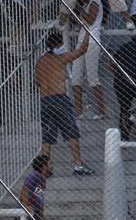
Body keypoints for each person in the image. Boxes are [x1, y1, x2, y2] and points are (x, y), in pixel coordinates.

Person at [34, 31, 93, 175]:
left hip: (45, 101)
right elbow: (82, 49)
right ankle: (78, 165)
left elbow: (36, 82)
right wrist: (87, 32)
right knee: (71, 133)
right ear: (59, 44)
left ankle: (44, 169)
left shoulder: (39, 61)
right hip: (59, 99)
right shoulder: (61, 58)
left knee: (47, 137)